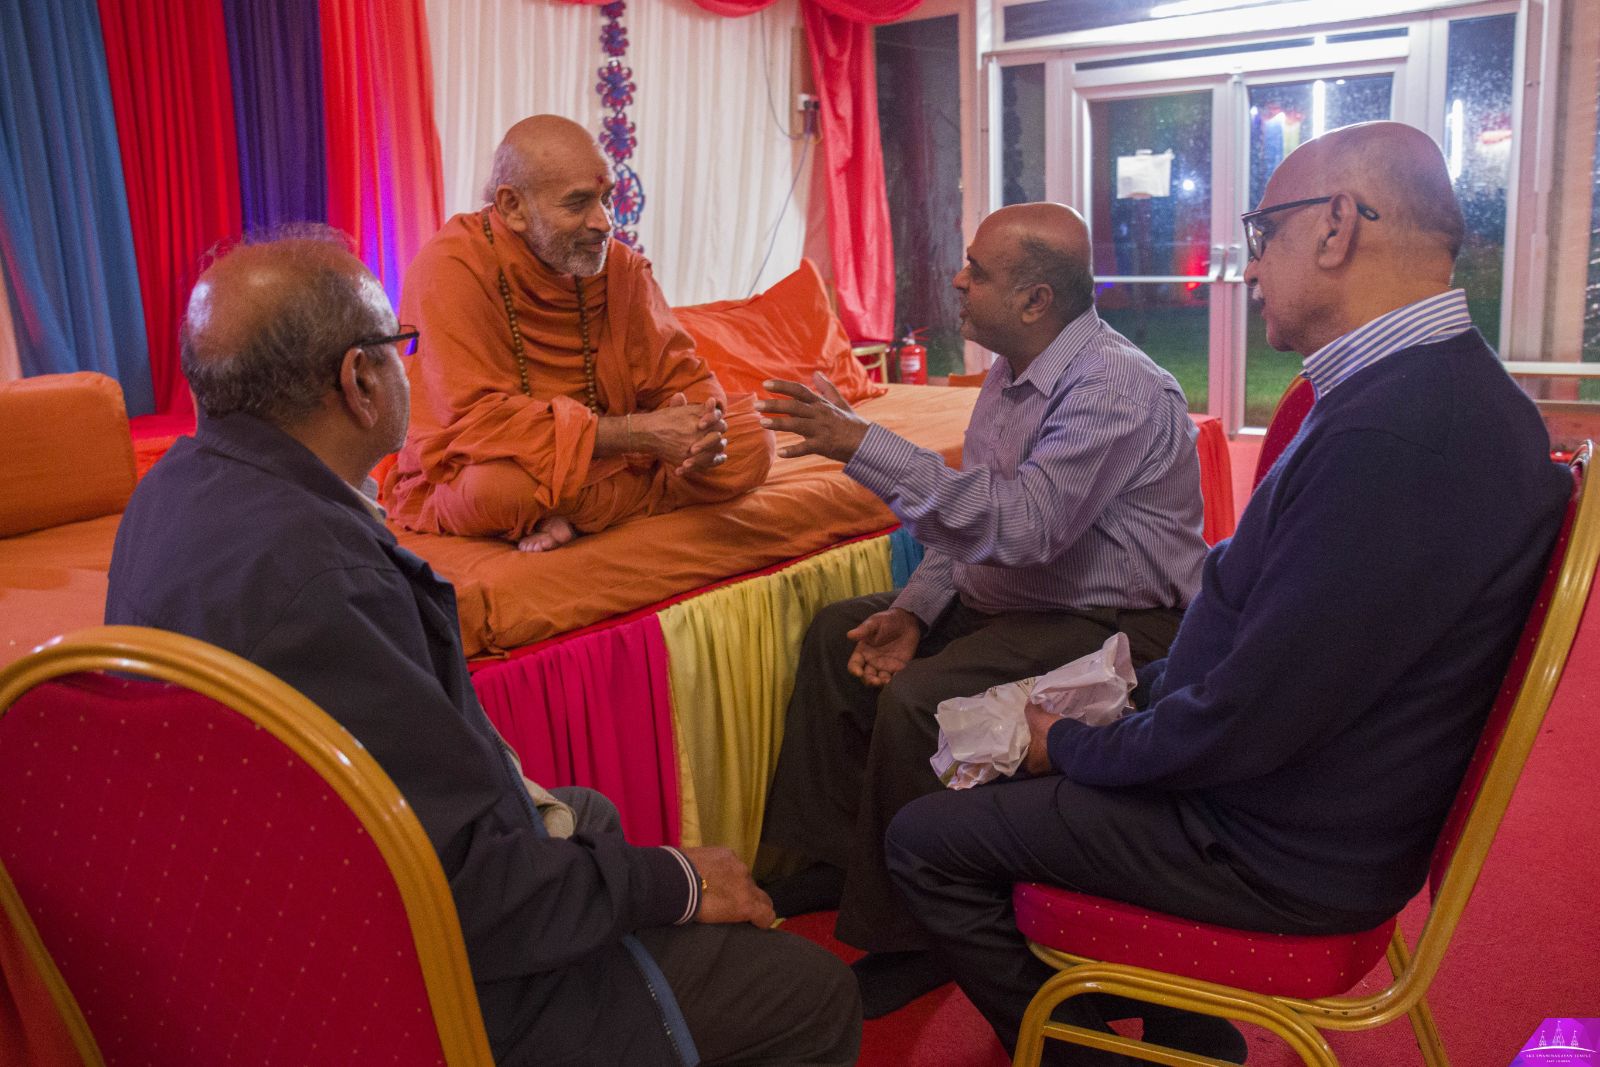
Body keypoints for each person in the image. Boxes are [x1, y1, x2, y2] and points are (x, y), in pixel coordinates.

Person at [884, 121, 1572, 1065]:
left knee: (926, 840)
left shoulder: (1399, 437)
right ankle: (1187, 1025)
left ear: (1337, 226)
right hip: (1306, 796)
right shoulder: (1434, 392)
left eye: (1263, 234)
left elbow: (1253, 717)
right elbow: (1285, 653)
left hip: (1273, 843)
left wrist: (1073, 745)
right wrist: (1131, 701)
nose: (1247, 268)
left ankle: (1094, 1055)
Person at [105, 232, 860, 1067]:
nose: (595, 221)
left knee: (589, 813)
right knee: (815, 995)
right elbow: (466, 890)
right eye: (399, 347)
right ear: (359, 380)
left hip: (259, 899)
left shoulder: (165, 493)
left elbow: (693, 400)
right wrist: (675, 881)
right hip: (394, 971)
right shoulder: (325, 581)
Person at [754, 202, 1210, 1017]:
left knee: (922, 697)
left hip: (1116, 623)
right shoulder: (1012, 369)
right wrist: (916, 609)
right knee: (835, 635)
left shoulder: (1115, 386)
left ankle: (916, 935)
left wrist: (862, 442)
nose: (958, 280)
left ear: (1036, 300)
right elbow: (971, 514)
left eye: (978, 270)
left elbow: (1021, 526)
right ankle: (840, 857)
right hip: (1026, 598)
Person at [384, 115, 774, 552]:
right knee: (496, 490)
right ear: (512, 206)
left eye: (606, 199)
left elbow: (682, 375)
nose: (604, 222)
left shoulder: (621, 268)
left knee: (752, 438)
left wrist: (702, 430)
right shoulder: (451, 269)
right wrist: (638, 435)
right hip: (519, 463)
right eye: (578, 204)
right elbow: (475, 422)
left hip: (611, 461)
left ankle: (573, 513)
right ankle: (614, 500)